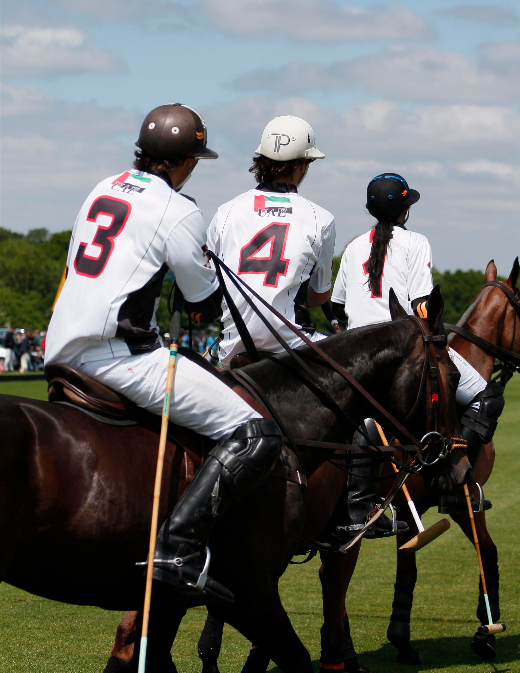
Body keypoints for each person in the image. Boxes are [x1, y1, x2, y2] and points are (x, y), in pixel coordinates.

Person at [45, 103, 282, 603]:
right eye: (195, 159)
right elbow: (201, 303)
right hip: (119, 357)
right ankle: (179, 549)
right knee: (255, 431)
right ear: (183, 161)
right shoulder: (179, 210)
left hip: (59, 348)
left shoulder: (103, 186)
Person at [331, 173, 504, 529]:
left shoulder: (352, 247)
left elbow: (336, 307)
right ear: (404, 211)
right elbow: (423, 308)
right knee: (486, 398)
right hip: (401, 349)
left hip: (353, 354)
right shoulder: (417, 243)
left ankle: (360, 502)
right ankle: (454, 487)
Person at [207, 115, 335, 369]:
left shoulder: (226, 211)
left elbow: (211, 287)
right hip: (295, 348)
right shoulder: (321, 218)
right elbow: (319, 296)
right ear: (301, 164)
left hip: (232, 351)